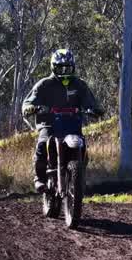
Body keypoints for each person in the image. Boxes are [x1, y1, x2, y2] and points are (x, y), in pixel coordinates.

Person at [22, 49, 104, 193]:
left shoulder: (79, 85)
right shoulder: (44, 85)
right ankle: (39, 178)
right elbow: (28, 102)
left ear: (73, 67)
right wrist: (31, 108)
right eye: (61, 68)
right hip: (49, 124)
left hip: (72, 124)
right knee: (42, 144)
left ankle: (79, 176)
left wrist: (95, 109)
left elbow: (91, 102)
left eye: (68, 68)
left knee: (82, 145)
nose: (64, 72)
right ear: (53, 67)